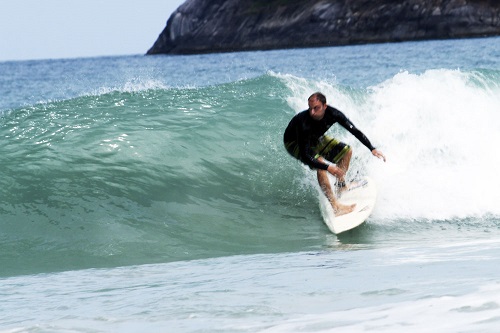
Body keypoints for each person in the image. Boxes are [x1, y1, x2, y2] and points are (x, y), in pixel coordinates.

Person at [283, 92, 386, 216]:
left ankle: (341, 186)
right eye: (310, 108)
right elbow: (306, 156)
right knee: (320, 163)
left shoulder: (333, 114)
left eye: (316, 108)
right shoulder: (303, 122)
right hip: (294, 143)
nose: (312, 112)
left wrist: (372, 148)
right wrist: (328, 167)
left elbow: (354, 130)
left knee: (347, 151)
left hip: (315, 138)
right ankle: (335, 206)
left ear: (325, 106)